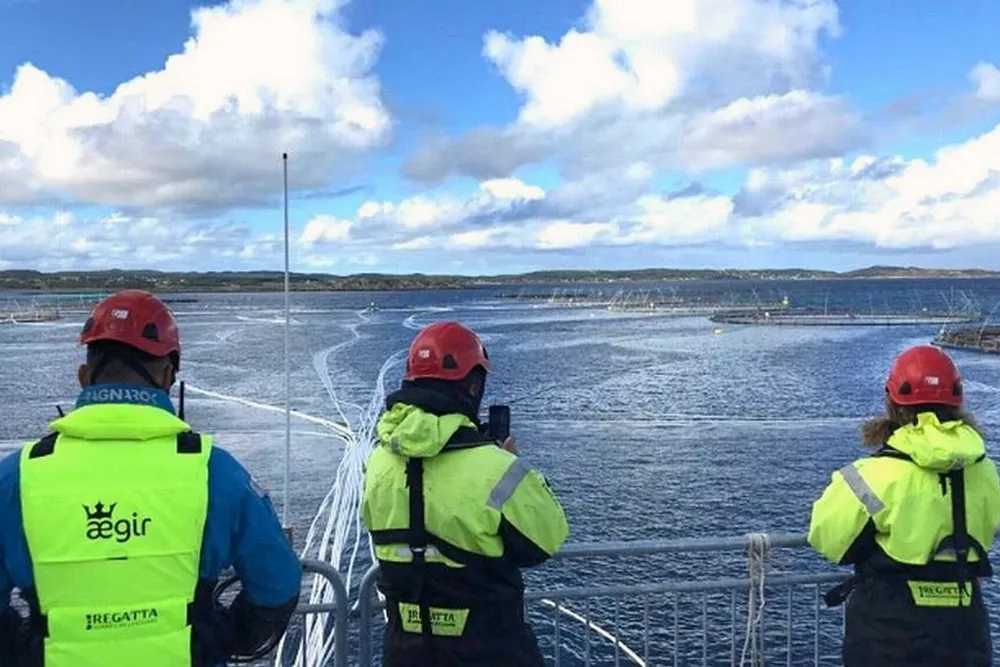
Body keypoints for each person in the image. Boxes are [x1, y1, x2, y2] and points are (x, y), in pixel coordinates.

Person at [0, 289, 303, 667]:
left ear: (84, 377)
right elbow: (278, 582)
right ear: (169, 376)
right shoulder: (215, 471)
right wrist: (223, 635)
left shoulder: (18, 475)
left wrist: (23, 647)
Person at [361, 320, 570, 667]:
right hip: (489, 650)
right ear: (473, 387)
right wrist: (513, 464)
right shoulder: (495, 467)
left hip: (406, 650)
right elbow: (547, 539)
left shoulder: (378, 463)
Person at [808, 344, 1000, 667]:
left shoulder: (874, 474)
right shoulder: (985, 471)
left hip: (886, 636)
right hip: (965, 634)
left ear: (892, 401)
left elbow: (826, 537)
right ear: (957, 401)